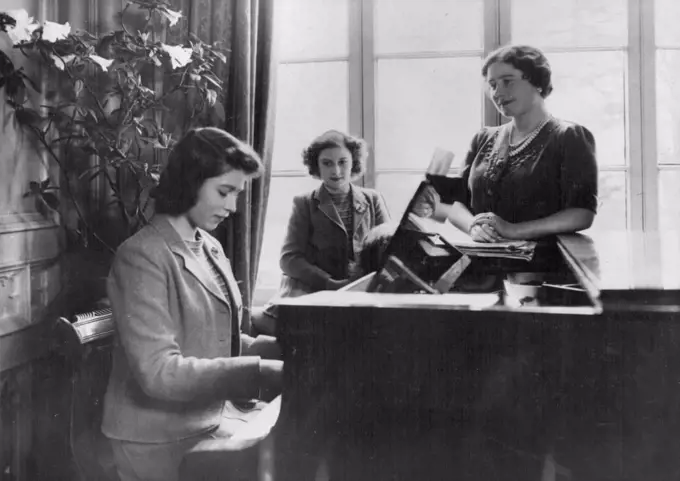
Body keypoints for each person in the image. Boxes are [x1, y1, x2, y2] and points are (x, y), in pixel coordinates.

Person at [101, 127, 283, 481]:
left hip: (209, 420)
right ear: (191, 181)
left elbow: (213, 339)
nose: (232, 207)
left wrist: (286, 350)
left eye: (237, 194)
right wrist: (259, 373)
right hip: (157, 439)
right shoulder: (142, 256)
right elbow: (158, 372)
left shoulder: (209, 247)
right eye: (224, 192)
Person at [442, 44, 599, 242]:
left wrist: (514, 230)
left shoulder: (569, 136)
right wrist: (473, 227)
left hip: (541, 265)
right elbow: (455, 204)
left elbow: (582, 214)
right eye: (492, 85)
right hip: (482, 261)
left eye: (507, 82)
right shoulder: (482, 138)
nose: (497, 93)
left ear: (537, 81)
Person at [251, 130, 391, 336]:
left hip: (362, 297)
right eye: (327, 163)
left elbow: (389, 249)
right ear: (316, 166)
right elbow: (289, 259)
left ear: (354, 163)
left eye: (343, 162)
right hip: (317, 295)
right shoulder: (304, 203)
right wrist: (328, 283)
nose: (336, 170)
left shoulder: (373, 199)